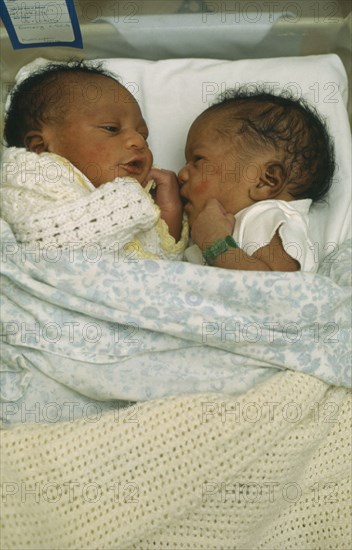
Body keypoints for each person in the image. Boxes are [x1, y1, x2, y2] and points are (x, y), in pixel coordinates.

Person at [0, 60, 188, 260]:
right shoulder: (29, 174)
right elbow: (46, 244)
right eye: (111, 128)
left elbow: (157, 265)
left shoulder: (137, 198)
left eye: (143, 135)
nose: (138, 141)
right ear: (39, 145)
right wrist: (131, 200)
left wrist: (169, 213)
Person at [178, 87, 335, 272]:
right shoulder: (211, 223)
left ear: (266, 181)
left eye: (198, 160)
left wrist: (215, 243)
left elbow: (274, 288)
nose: (181, 174)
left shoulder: (269, 218)